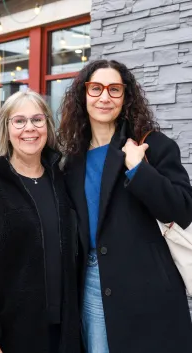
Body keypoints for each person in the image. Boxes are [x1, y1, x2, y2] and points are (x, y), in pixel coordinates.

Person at [58, 59, 192, 353]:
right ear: (83, 95)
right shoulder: (72, 160)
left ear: (125, 97)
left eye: (114, 89)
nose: (104, 97)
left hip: (149, 281)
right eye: (96, 88)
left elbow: (181, 209)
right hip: (93, 281)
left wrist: (138, 170)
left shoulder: (153, 146)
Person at [0, 90, 81, 353]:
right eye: (19, 121)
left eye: (37, 120)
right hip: (11, 333)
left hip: (64, 331)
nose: (30, 129)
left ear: (47, 125)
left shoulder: (60, 178)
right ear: (6, 128)